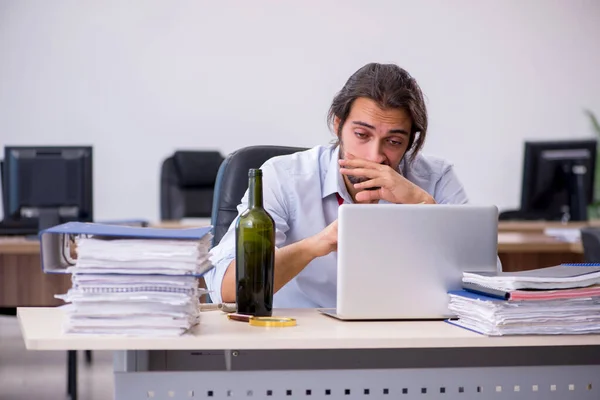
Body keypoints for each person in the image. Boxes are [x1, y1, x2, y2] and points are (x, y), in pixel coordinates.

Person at [205, 62, 468, 308]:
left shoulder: (436, 177)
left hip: (402, 337)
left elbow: (484, 284)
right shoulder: (283, 176)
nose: (374, 156)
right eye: (362, 135)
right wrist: (315, 245)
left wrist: (422, 204)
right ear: (338, 124)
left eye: (394, 142)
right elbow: (226, 289)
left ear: (410, 142)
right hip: (300, 340)